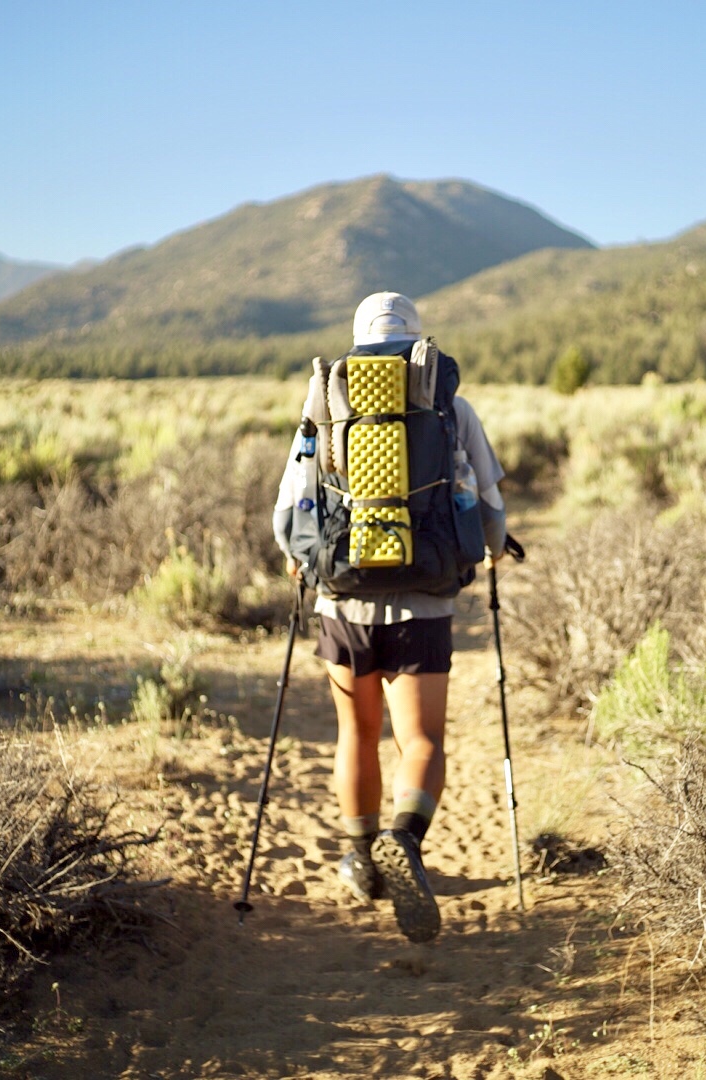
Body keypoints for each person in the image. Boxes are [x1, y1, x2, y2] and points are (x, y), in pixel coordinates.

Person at [271, 292, 507, 943]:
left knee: (357, 732)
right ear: (416, 337)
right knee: (422, 738)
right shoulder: (449, 406)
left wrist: (300, 558)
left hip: (343, 599)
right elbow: (488, 500)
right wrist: (490, 553)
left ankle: (361, 858)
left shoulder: (323, 405)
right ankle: (406, 837)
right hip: (424, 600)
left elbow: (291, 502)